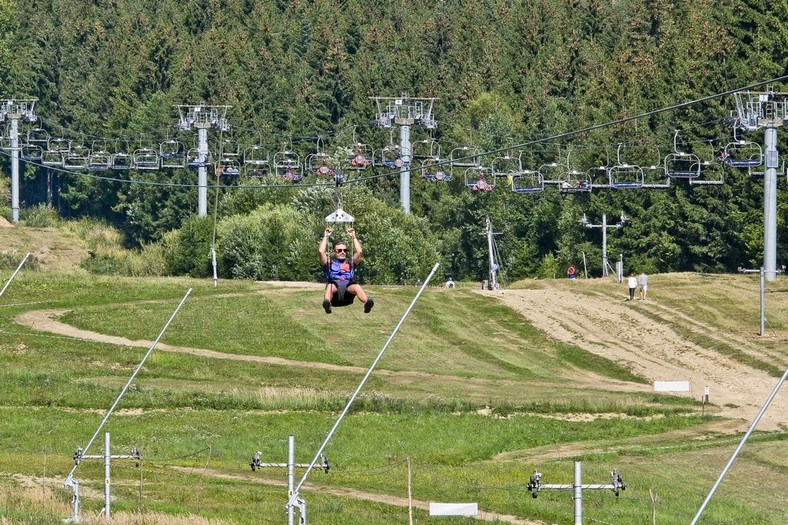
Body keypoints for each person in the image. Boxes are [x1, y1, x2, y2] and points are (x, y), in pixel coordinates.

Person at [318, 227, 373, 314]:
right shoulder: (329, 263)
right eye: (339, 250)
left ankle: (367, 303)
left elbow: (359, 252)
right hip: (334, 294)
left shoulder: (350, 263)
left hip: (348, 292)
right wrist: (326, 236)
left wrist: (353, 237)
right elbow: (321, 252)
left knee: (356, 286)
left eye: (345, 250)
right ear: (334, 251)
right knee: (330, 286)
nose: (342, 252)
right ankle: (327, 304)